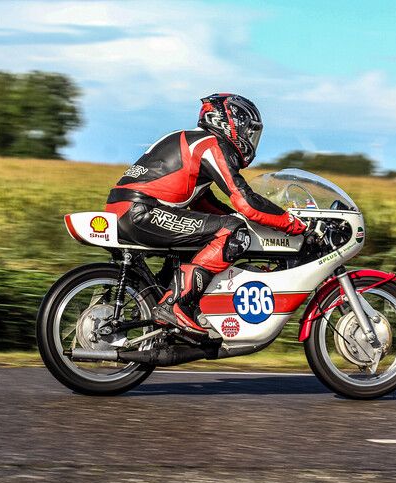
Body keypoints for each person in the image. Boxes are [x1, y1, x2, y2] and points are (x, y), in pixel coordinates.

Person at [105, 93, 307, 337]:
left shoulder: (191, 139)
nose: (250, 139)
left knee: (217, 231)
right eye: (249, 131)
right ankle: (175, 306)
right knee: (232, 232)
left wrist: (245, 220)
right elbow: (246, 202)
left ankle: (161, 300)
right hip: (142, 211)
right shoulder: (212, 144)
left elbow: (203, 204)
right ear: (230, 123)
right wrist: (292, 224)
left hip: (127, 208)